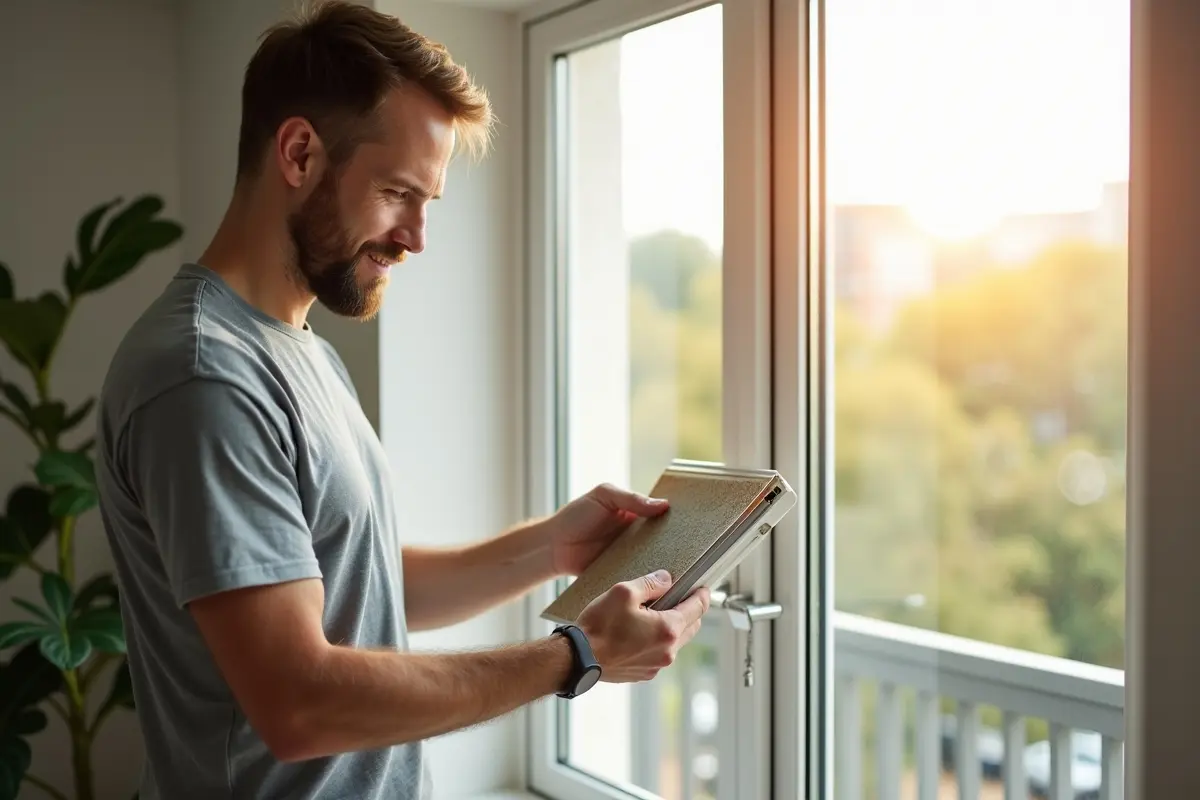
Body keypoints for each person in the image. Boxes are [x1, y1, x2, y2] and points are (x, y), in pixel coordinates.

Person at [93, 2, 711, 799]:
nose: (417, 237)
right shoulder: (206, 376)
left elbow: (361, 588)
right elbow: (300, 703)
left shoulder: (299, 349)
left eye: (430, 203)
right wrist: (577, 657)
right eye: (397, 194)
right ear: (300, 152)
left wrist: (548, 547)